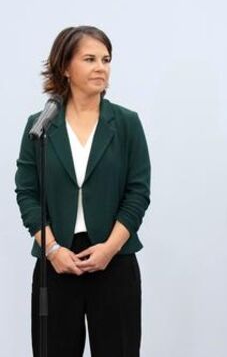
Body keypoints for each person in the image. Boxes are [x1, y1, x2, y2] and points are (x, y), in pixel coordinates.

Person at [15, 26, 151, 357]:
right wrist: (52, 250)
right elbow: (27, 193)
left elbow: (138, 193)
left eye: (106, 59)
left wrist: (109, 249)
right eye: (90, 59)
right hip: (56, 262)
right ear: (65, 66)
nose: (101, 67)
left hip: (114, 260)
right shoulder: (40, 125)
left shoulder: (126, 123)